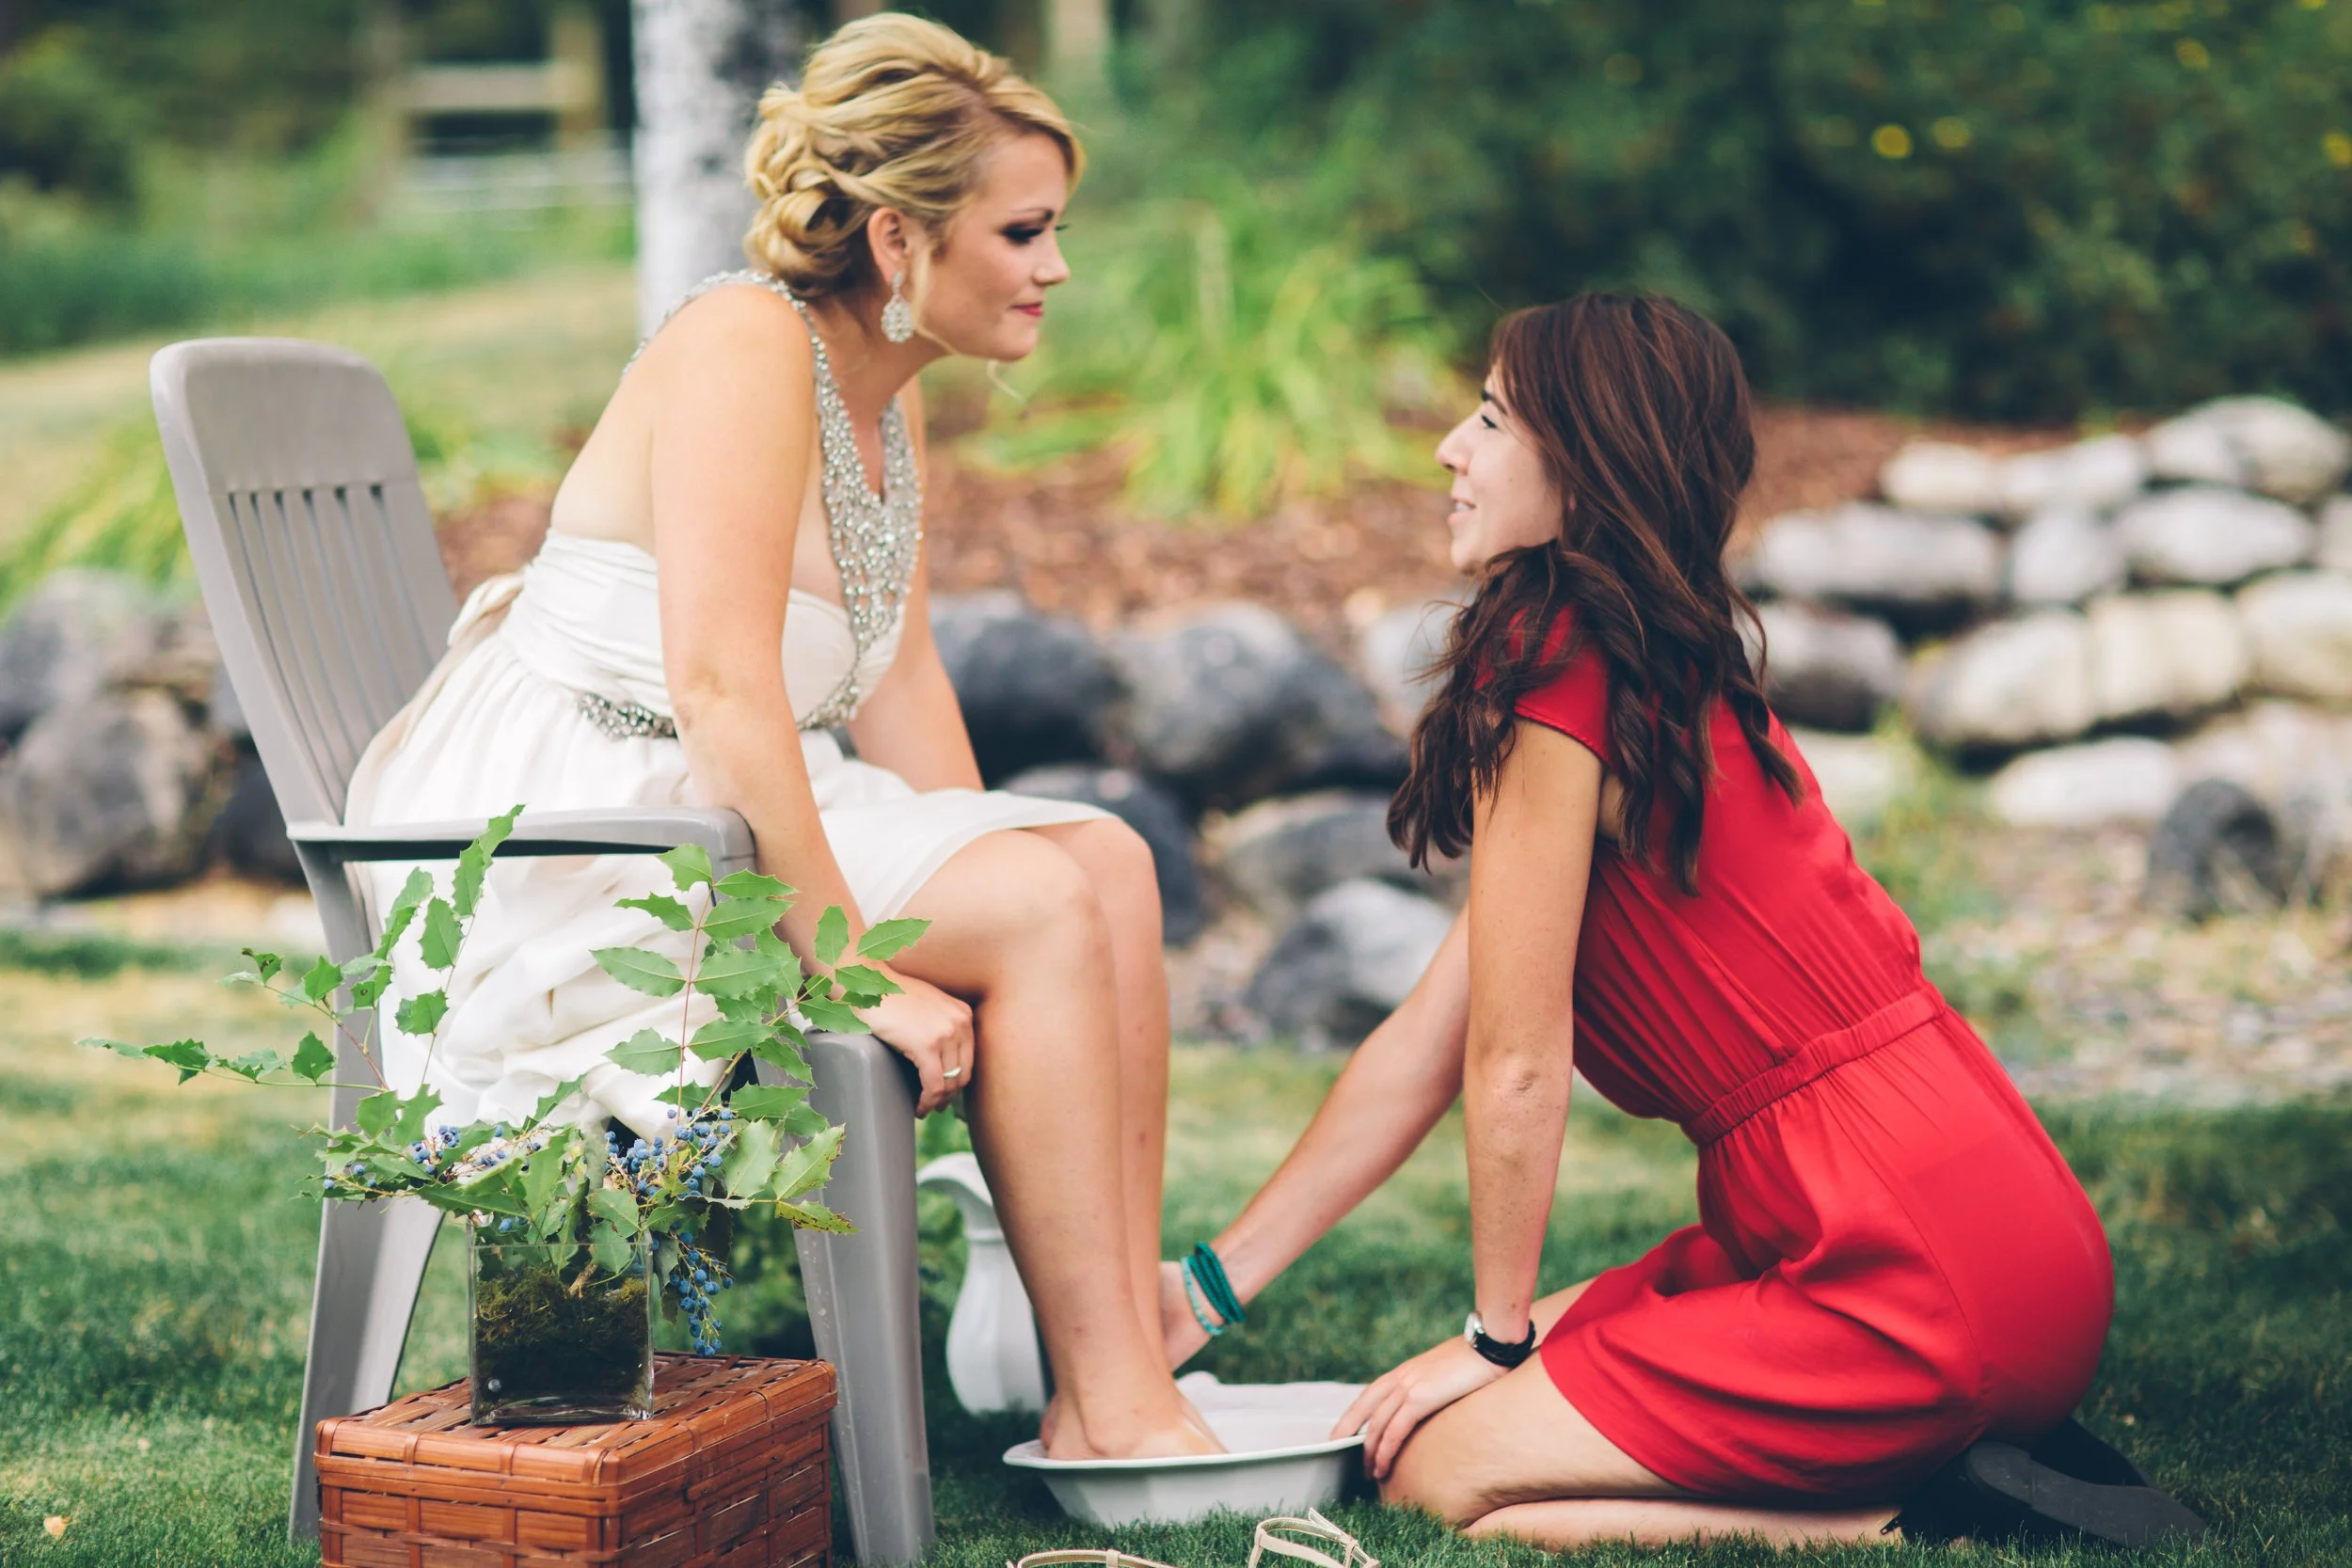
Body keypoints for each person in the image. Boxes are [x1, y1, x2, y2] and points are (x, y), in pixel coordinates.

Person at [1160, 294, 2199, 1545]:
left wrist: (1494, 1339)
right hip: (2000, 1234)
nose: (1449, 444)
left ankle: (1922, 1509)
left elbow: (1518, 1058)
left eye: (1490, 416)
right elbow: (1432, 1037)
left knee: (1445, 1476)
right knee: (1476, 1374)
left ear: (1587, 463)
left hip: (1894, 1270)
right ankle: (1958, 1452)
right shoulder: (1651, 661)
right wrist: (1205, 1292)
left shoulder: (1556, 662)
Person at [348, 13, 1215, 1461]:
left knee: (1100, 863)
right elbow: (722, 681)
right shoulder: (744, 342)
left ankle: (1107, 1344)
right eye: (1024, 230)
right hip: (578, 818)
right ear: (897, 238)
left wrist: (987, 865)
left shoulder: (887, 399)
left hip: (731, 789)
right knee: (1054, 902)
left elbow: (904, 678)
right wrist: (854, 965)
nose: (1056, 266)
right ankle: (1112, 1403)